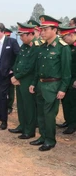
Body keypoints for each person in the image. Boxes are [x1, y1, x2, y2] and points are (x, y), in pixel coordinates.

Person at [29, 15, 71, 151]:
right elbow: (37, 68)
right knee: (40, 113)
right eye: (41, 29)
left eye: (45, 29)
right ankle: (42, 136)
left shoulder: (62, 47)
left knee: (49, 115)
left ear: (54, 30)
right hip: (41, 84)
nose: (42, 32)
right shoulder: (43, 46)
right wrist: (33, 83)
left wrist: (63, 89)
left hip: (53, 86)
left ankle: (50, 140)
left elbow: (66, 72)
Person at [8, 23, 39, 139]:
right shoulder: (24, 46)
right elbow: (18, 61)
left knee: (29, 106)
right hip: (19, 79)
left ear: (30, 34)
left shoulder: (36, 46)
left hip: (27, 80)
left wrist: (18, 76)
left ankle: (29, 130)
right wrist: (15, 74)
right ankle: (22, 125)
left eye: (22, 35)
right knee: (21, 105)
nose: (21, 38)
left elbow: (30, 66)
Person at [57, 26, 76, 134]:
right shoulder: (66, 47)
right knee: (66, 101)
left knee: (73, 103)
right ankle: (68, 121)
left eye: (64, 37)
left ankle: (73, 125)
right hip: (66, 78)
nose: (63, 40)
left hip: (74, 79)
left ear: (71, 35)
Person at [4, 28, 15, 114]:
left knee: (10, 90)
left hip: (10, 71)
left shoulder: (12, 42)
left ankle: (9, 106)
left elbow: (17, 57)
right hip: (3, 71)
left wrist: (12, 69)